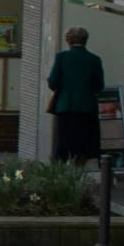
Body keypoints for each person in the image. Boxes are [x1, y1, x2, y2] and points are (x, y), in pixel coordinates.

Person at [47, 25, 106, 162]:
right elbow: (99, 85)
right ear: (85, 40)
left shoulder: (62, 57)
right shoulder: (94, 59)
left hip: (67, 106)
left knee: (64, 145)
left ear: (68, 41)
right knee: (86, 146)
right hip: (88, 108)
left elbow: (53, 82)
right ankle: (82, 172)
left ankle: (63, 176)